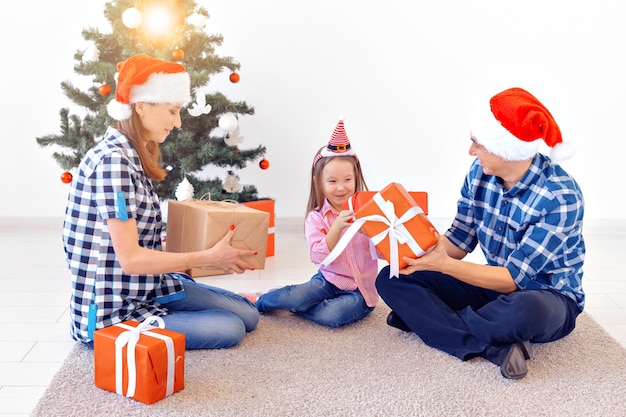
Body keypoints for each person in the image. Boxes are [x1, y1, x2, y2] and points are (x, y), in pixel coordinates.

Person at [376, 87, 585, 379]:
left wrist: (444, 269)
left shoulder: (560, 196)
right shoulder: (479, 173)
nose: (471, 151)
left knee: (523, 311)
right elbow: (458, 242)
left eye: (478, 143)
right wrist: (405, 248)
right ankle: (494, 349)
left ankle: (429, 321)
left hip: (545, 296)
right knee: (391, 278)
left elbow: (513, 280)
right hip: (491, 284)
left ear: (506, 148)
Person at [63, 54, 259, 350]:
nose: (178, 123)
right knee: (230, 327)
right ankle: (168, 314)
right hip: (112, 314)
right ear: (141, 107)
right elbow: (130, 260)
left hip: (148, 287)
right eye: (172, 111)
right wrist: (207, 257)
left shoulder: (129, 156)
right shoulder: (113, 164)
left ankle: (177, 304)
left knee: (248, 315)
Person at [254, 118, 379, 327]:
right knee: (292, 296)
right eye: (332, 181)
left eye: (347, 180)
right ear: (318, 182)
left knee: (334, 315)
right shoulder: (316, 217)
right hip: (328, 279)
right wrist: (337, 227)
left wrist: (376, 233)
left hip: (360, 291)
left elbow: (386, 253)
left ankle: (299, 307)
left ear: (357, 177)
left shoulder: (368, 212)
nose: (341, 188)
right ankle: (259, 301)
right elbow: (318, 255)